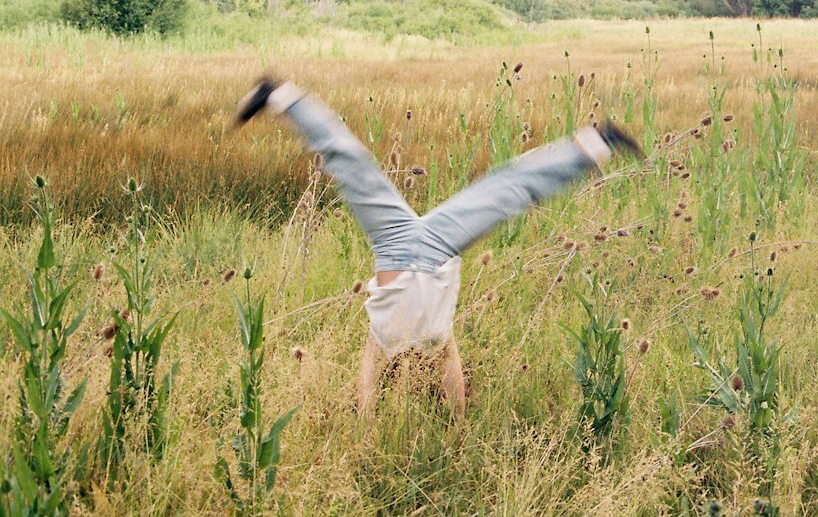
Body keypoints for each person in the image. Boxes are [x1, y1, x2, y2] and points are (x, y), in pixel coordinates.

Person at [235, 76, 641, 416]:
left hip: (401, 245)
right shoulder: (429, 339)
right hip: (430, 246)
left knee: (359, 164)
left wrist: (369, 426)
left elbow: (375, 383)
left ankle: (280, 95)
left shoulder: (400, 340)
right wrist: (455, 425)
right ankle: (594, 144)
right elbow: (436, 377)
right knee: (499, 187)